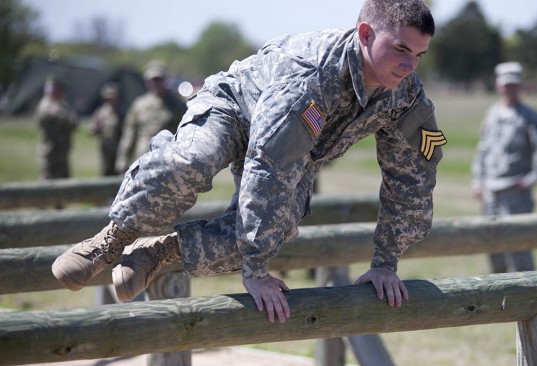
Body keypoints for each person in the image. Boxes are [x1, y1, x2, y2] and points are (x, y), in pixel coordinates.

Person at [52, 0, 446, 324]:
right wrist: (256, 272)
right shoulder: (312, 74)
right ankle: (112, 239)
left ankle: (158, 251)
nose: (410, 66)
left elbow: (413, 178)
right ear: (365, 34)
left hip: (297, 148)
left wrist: (385, 262)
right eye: (400, 49)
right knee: (194, 160)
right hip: (235, 110)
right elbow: (269, 164)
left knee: (277, 225)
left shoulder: (406, 95)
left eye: (419, 54)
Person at [471, 61, 537, 273]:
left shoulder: (529, 116)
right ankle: (498, 298)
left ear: (520, 86)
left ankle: (529, 299)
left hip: (515, 190)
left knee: (519, 247)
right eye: (506, 85)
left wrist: (534, 177)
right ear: (499, 86)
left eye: (514, 85)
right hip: (491, 191)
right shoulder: (491, 114)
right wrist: (477, 181)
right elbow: (482, 150)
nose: (510, 89)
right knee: (492, 244)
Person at [115, 61, 187, 172]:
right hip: (143, 158)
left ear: (165, 80)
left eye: (159, 79)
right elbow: (129, 133)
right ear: (146, 82)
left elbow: (186, 132)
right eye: (152, 80)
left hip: (169, 160)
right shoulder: (139, 105)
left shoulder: (177, 104)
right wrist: (122, 160)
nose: (156, 83)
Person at [34, 77, 78, 179]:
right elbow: (44, 119)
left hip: (62, 152)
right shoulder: (44, 105)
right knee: (48, 182)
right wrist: (62, 118)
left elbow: (74, 122)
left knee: (63, 181)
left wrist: (62, 117)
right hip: (50, 152)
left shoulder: (63, 105)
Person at [90, 83, 123, 176]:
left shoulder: (122, 111)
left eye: (113, 97)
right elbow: (93, 130)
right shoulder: (101, 112)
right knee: (106, 170)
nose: (111, 100)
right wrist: (96, 126)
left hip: (119, 146)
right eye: (108, 98)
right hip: (106, 146)